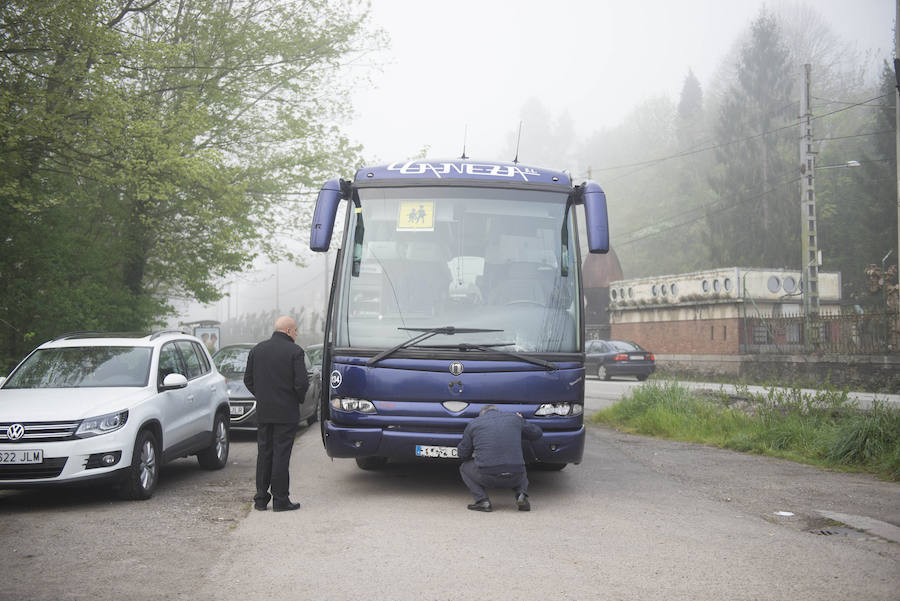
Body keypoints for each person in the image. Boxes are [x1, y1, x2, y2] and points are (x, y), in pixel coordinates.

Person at [243, 316, 309, 512]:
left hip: (264, 411)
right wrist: (296, 398)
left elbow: (248, 379)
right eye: (295, 330)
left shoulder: (257, 350)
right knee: (281, 454)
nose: (297, 334)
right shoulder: (295, 352)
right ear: (288, 331)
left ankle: (261, 500)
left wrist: (263, 396)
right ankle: (280, 500)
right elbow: (302, 383)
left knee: (264, 454)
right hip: (286, 412)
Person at [456, 405, 543, 512]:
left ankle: (482, 501)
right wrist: (521, 419)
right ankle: (521, 495)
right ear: (498, 411)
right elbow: (537, 433)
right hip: (516, 476)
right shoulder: (514, 418)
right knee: (518, 462)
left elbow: (463, 454)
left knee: (464, 468)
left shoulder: (473, 424)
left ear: (482, 414)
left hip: (487, 477)